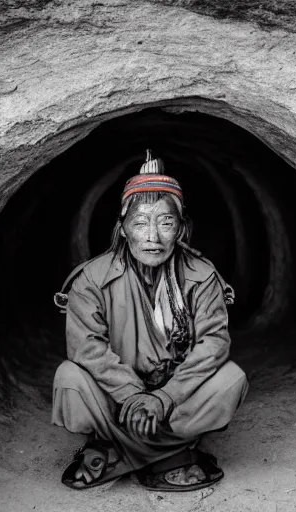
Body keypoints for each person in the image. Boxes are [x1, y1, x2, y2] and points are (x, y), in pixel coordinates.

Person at [51, 151, 248, 491]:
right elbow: (87, 348)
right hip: (118, 401)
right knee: (70, 376)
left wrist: (164, 397)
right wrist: (132, 395)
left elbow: (213, 345)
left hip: (176, 399)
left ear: (182, 228)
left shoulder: (202, 277)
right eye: (141, 223)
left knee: (231, 379)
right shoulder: (91, 278)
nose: (153, 237)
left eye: (166, 223)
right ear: (123, 228)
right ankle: (171, 456)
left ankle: (114, 452)